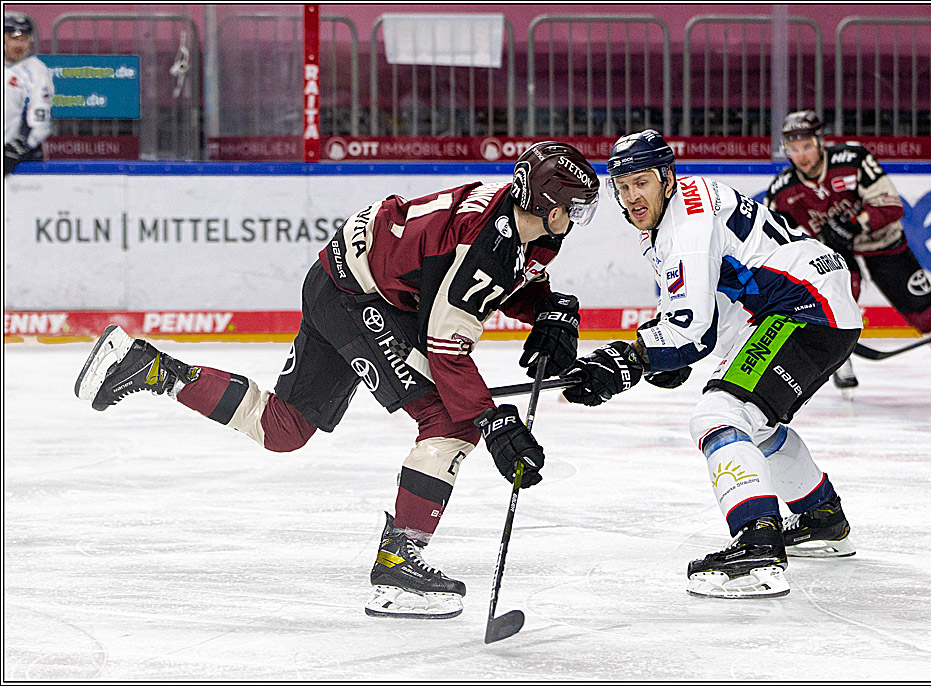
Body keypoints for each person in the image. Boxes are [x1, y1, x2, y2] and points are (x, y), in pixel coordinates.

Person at [74, 141, 601, 619]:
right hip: (358, 298)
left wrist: (549, 308)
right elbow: (445, 344)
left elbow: (499, 280)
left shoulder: (514, 219)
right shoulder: (483, 248)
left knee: (283, 429)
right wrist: (491, 421)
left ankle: (149, 367)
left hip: (341, 279)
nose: (576, 219)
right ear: (552, 209)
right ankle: (398, 563)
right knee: (449, 422)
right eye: (575, 209)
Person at [562, 130, 862, 599]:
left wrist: (629, 358)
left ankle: (758, 546)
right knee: (753, 423)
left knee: (719, 416)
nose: (632, 196)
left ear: (666, 178)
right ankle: (821, 515)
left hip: (804, 306)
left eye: (641, 182)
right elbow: (699, 308)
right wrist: (661, 355)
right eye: (622, 187)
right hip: (803, 302)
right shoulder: (679, 212)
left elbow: (691, 331)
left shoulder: (685, 225)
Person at [766, 110, 931, 398]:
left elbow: (891, 206)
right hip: (836, 253)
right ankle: (840, 358)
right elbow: (775, 240)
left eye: (807, 146)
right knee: (835, 298)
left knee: (924, 311)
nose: (801, 155)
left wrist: (854, 224)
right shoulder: (782, 190)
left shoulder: (852, 160)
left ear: (820, 142)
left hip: (882, 242)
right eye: (794, 148)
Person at [5, 12, 53, 176]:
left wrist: (21, 146)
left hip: (18, 157)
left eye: (24, 39)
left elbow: (40, 117)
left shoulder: (37, 70)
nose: (19, 45)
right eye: (14, 38)